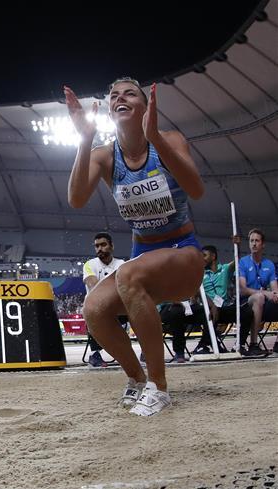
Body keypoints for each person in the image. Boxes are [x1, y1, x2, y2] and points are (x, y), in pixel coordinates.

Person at [65, 77, 206, 417]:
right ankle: (137, 378)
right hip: (143, 262)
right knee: (94, 308)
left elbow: (197, 190)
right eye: (113, 95)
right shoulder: (105, 156)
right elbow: (76, 199)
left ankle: (159, 386)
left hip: (184, 254)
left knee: (127, 272)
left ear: (144, 106)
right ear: (110, 111)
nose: (119, 98)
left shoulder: (169, 140)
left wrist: (155, 136)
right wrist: (84, 141)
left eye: (129, 93)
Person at [82, 232, 125, 367]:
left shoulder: (122, 264)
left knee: (138, 312)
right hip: (97, 308)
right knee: (92, 312)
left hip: (117, 309)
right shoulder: (89, 264)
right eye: (97, 246)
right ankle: (95, 354)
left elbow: (124, 287)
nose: (99, 248)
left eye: (103, 245)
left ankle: (145, 351)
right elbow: (93, 285)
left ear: (111, 246)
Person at [238, 228, 278, 355]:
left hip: (263, 303)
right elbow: (243, 290)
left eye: (257, 241)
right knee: (259, 296)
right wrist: (266, 293)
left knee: (266, 297)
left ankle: (277, 344)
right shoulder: (243, 262)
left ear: (263, 244)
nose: (254, 243)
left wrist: (275, 294)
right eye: (251, 241)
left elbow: (275, 290)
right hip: (246, 303)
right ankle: (253, 344)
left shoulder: (269, 264)